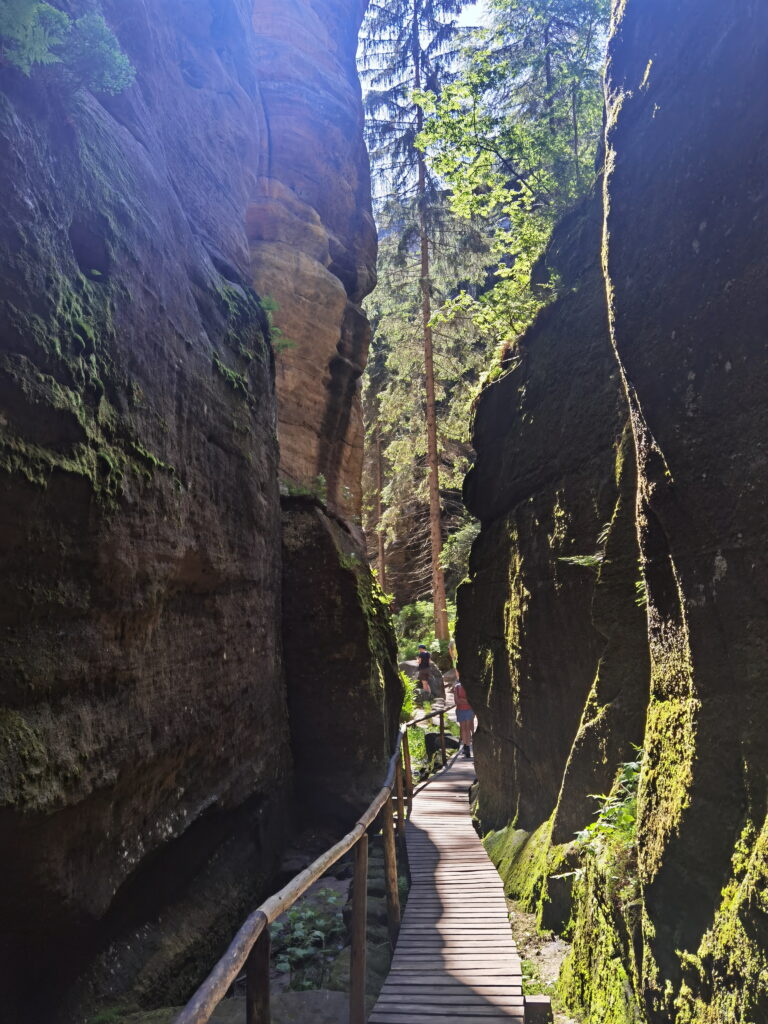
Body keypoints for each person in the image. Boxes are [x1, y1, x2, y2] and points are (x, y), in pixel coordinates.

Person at [453, 672, 474, 758]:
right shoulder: (457, 687)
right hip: (462, 710)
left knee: (466, 728)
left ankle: (467, 747)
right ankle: (466, 746)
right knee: (464, 729)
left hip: (468, 710)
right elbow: (456, 701)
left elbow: (471, 700)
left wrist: (462, 700)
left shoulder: (470, 687)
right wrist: (466, 700)